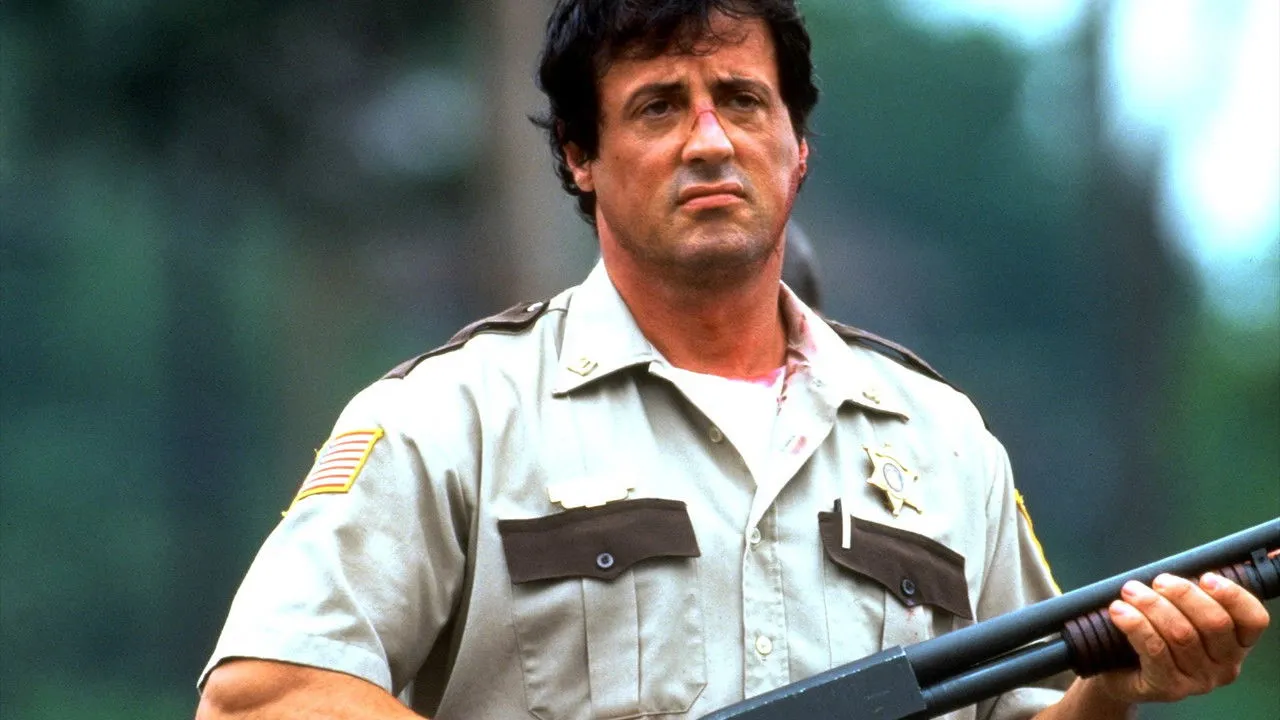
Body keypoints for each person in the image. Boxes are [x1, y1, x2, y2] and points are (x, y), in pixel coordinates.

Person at [195, 2, 1271, 719]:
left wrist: (1112, 688)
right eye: (658, 106)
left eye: (742, 100)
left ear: (797, 148)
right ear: (580, 156)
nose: (708, 139)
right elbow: (262, 695)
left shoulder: (944, 442)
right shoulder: (455, 415)